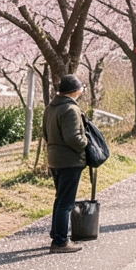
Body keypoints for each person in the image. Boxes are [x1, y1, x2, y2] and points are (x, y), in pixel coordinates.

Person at [44, 74, 88, 253]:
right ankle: (60, 241)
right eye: (81, 88)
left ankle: (57, 233)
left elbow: (45, 133)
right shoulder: (70, 109)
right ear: (75, 91)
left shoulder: (50, 108)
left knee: (60, 199)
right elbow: (73, 137)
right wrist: (85, 144)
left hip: (54, 158)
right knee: (66, 202)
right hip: (69, 160)